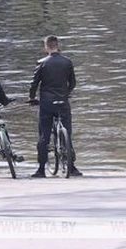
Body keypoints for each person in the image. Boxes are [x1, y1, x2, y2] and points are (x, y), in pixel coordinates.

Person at [28, 35, 82, 177]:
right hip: (63, 102)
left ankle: (41, 169)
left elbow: (34, 84)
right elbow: (73, 83)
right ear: (57, 45)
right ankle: (72, 166)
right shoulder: (67, 62)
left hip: (46, 103)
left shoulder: (42, 63)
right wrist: (66, 93)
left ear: (46, 47)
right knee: (67, 133)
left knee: (44, 136)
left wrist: (32, 98)